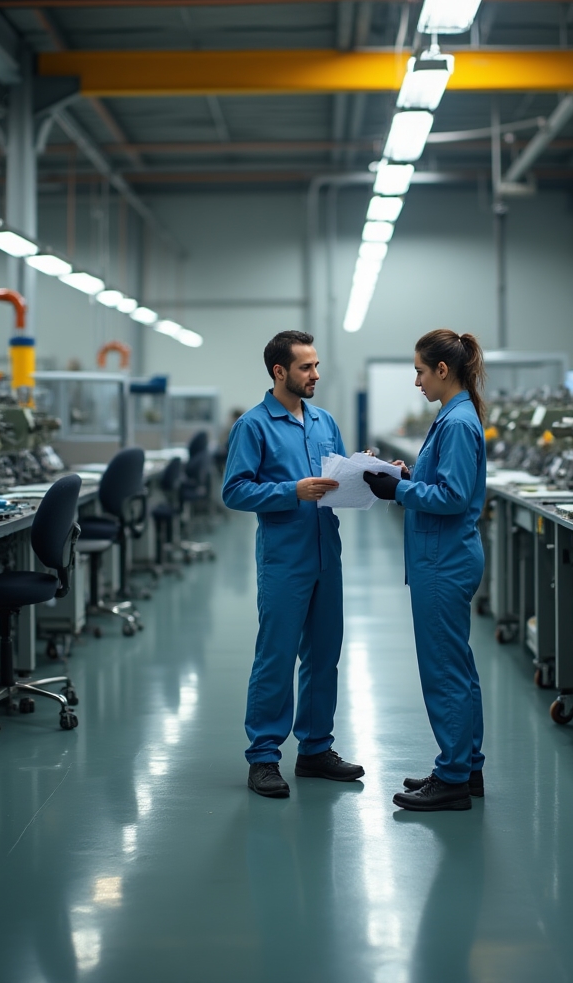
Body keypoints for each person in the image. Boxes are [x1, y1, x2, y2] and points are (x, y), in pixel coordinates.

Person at [223, 330, 364, 798]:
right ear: (279, 371)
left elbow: (340, 479)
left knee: (324, 657)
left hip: (328, 554)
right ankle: (264, 757)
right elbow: (235, 490)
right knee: (276, 657)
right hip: (285, 559)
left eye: (317, 366)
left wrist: (369, 474)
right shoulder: (253, 426)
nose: (316, 375)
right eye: (306, 367)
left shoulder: (325, 421)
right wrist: (290, 491)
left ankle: (315, 750)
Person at [364, 329, 488, 812]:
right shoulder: (452, 416)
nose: (416, 381)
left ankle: (453, 776)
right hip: (444, 555)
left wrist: (398, 492)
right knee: (457, 667)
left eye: (419, 371)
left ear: (442, 370)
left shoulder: (456, 422)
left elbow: (454, 497)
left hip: (444, 560)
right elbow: (443, 483)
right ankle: (467, 766)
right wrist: (409, 478)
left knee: (443, 671)